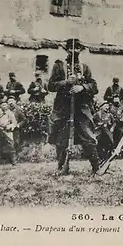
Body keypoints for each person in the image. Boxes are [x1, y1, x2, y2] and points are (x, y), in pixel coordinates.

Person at [47, 38, 100, 175]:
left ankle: (96, 167)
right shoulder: (59, 66)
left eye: (77, 48)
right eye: (71, 48)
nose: (74, 51)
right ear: (67, 50)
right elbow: (51, 86)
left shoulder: (85, 68)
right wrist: (65, 82)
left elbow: (94, 86)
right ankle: (62, 167)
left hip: (81, 107)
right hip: (64, 107)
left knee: (88, 135)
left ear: (80, 50)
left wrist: (82, 87)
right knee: (62, 138)